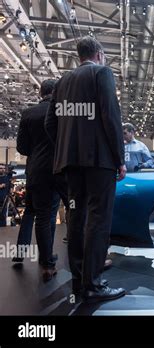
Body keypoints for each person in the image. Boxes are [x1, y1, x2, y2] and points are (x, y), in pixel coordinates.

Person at [45, 36, 126, 301]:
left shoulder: (62, 82)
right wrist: (119, 158)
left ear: (79, 56)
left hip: (70, 164)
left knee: (76, 219)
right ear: (100, 54)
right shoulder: (102, 73)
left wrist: (66, 146)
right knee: (99, 220)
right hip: (99, 162)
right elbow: (110, 116)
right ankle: (93, 285)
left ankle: (79, 283)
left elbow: (50, 123)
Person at [16, 79, 68, 281]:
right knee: (75, 212)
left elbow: (22, 148)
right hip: (63, 169)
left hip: (37, 171)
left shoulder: (28, 114)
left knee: (43, 217)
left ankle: (47, 264)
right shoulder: (65, 111)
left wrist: (37, 153)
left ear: (40, 92)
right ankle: (82, 261)